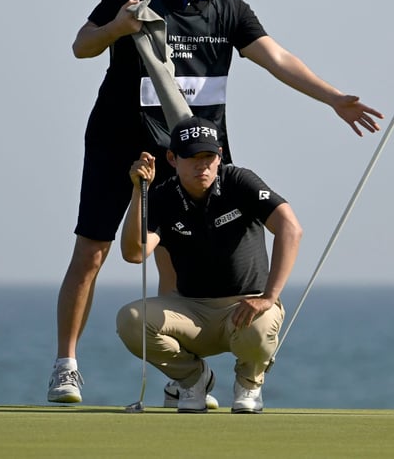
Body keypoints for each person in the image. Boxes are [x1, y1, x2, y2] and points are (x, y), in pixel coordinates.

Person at [49, 0, 382, 404]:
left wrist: (333, 97)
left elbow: (277, 58)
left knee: (174, 254)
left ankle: (184, 375)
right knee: (93, 250)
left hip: (192, 149)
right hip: (118, 139)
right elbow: (81, 45)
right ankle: (66, 365)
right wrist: (117, 27)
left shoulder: (228, 7)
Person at [116, 116, 302, 413]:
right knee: (130, 319)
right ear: (172, 159)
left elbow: (290, 228)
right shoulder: (163, 196)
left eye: (208, 156)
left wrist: (268, 298)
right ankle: (193, 379)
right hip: (191, 312)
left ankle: (248, 385)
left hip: (245, 306)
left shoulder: (239, 182)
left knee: (260, 326)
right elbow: (135, 253)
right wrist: (140, 192)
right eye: (191, 157)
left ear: (219, 156)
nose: (201, 165)